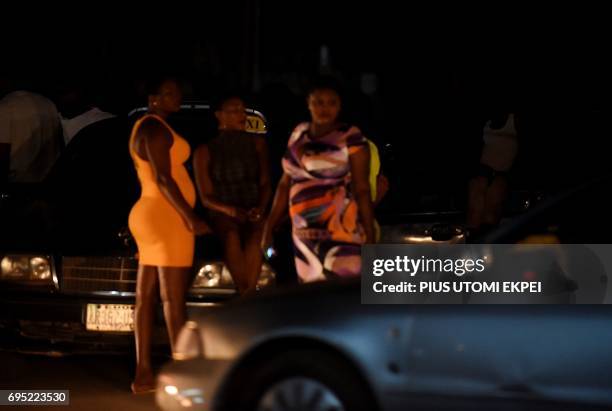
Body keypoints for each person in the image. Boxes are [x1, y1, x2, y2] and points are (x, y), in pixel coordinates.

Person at [128, 76, 210, 393]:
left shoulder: (151, 126)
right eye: (169, 93)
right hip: (166, 217)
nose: (177, 96)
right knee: (173, 299)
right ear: (153, 98)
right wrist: (190, 217)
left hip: (152, 214)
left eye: (178, 91)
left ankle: (144, 373)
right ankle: (182, 375)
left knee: (145, 296)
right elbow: (163, 178)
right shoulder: (154, 129)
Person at [262, 77, 375, 282]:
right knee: (312, 296)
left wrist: (369, 232)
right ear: (308, 103)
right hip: (304, 230)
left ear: (340, 105)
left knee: (342, 291)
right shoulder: (299, 134)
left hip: (340, 229)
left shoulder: (350, 136)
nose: (325, 108)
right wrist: (269, 226)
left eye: (332, 103)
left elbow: (362, 187)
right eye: (319, 102)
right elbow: (284, 184)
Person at [193, 94, 271, 294]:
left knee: (256, 235)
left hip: (251, 205)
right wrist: (230, 210)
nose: (241, 115)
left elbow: (264, 182)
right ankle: (245, 291)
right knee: (231, 235)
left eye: (243, 110)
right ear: (219, 115)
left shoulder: (257, 144)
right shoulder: (205, 151)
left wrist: (260, 207)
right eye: (234, 110)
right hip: (224, 210)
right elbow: (206, 197)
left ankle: (247, 292)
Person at [467, 111, 519, 235]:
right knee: (475, 217)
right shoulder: (488, 122)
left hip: (500, 175)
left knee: (491, 218)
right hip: (483, 174)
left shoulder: (514, 120)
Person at [0, 89, 63, 183]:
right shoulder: (48, 103)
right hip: (50, 182)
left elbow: (2, 153)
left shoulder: (5, 107)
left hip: (18, 185)